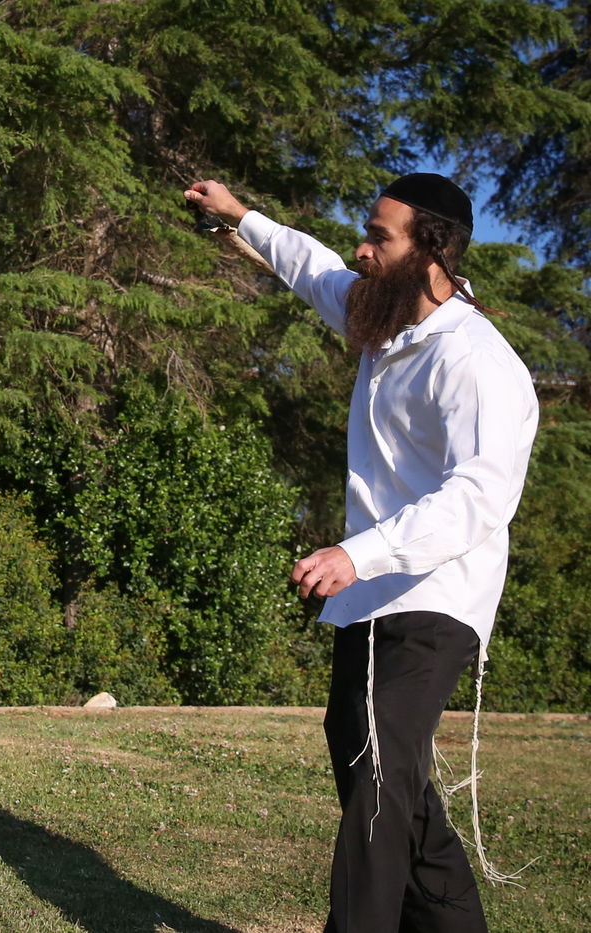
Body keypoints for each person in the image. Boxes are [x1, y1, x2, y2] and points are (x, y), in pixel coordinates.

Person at [183, 174, 538, 933]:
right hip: (370, 597)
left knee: (379, 780)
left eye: (379, 236)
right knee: (377, 772)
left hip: (436, 597)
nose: (361, 249)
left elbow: (480, 496)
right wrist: (239, 216)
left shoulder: (475, 358)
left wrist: (360, 553)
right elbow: (311, 267)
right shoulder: (385, 318)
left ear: (432, 249)